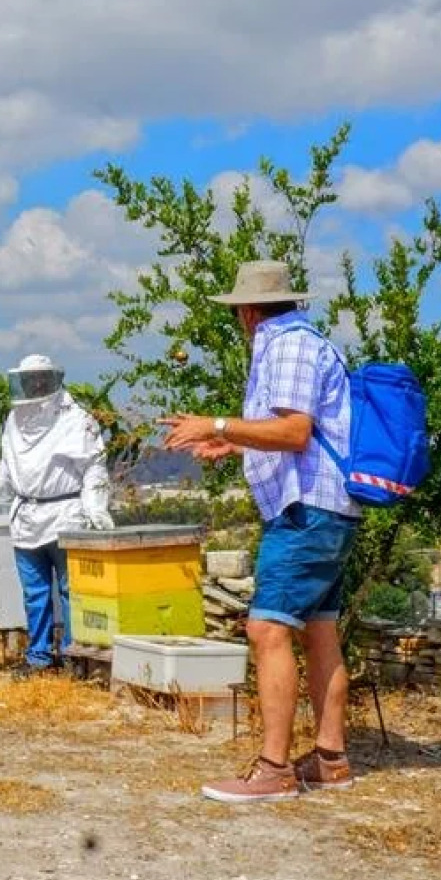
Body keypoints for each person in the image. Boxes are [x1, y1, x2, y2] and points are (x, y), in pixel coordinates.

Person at [159, 260, 361, 802]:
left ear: (247, 311)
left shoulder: (288, 345)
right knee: (319, 630)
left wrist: (218, 425)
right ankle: (330, 759)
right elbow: (297, 431)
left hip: (305, 510)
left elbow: (295, 431)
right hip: (326, 507)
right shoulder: (301, 340)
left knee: (267, 630)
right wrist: (237, 444)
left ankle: (274, 770)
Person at [0, 354, 114, 677]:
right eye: (29, 379)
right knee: (35, 593)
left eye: (40, 379)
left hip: (66, 514)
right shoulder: (14, 420)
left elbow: (93, 467)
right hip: (25, 517)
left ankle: (75, 656)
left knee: (70, 591)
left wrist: (95, 507)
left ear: (51, 380)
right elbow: (7, 469)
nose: (35, 385)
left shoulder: (76, 420)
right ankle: (39, 656)